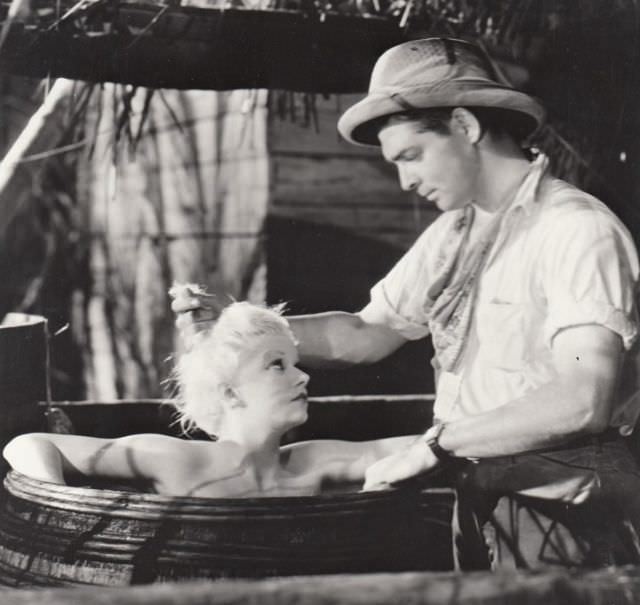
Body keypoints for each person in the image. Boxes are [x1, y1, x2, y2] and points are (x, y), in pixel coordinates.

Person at [172, 37, 640, 568]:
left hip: (567, 503)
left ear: (465, 126)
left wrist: (436, 445)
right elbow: (365, 333)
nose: (405, 180)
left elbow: (582, 396)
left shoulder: (574, 230)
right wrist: (238, 326)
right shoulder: (456, 234)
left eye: (412, 155)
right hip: (483, 493)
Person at [3, 301, 418, 497]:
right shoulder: (181, 459)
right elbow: (29, 444)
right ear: (229, 391)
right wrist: (59, 500)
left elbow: (418, 446)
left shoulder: (312, 460)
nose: (303, 374)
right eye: (278, 364)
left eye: (296, 362)